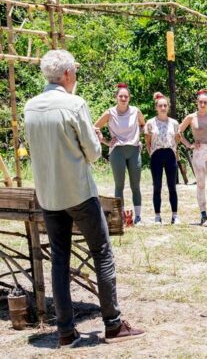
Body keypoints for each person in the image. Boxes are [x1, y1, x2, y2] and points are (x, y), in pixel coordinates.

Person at [23, 49, 144, 347]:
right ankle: (113, 324)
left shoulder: (30, 106)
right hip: (78, 192)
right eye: (74, 70)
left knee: (59, 260)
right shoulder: (74, 104)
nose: (75, 75)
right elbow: (93, 152)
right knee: (101, 253)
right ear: (66, 75)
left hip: (49, 195)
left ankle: (65, 331)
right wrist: (90, 136)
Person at [94, 83, 146, 225]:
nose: (123, 98)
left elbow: (143, 125)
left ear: (129, 98)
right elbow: (95, 127)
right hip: (117, 151)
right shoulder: (110, 113)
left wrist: (138, 136)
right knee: (119, 185)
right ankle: (120, 217)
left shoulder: (136, 111)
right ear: (116, 97)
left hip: (134, 150)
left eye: (126, 96)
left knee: (136, 185)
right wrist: (105, 141)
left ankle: (138, 217)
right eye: (121, 96)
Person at [179, 90, 207, 227]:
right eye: (200, 102)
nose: (203, 104)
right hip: (198, 151)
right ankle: (203, 215)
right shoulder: (191, 117)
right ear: (197, 103)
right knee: (201, 184)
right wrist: (189, 145)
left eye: (205, 102)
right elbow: (179, 132)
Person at [144, 93, 181, 225]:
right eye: (160, 106)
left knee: (172, 186)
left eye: (165, 105)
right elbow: (147, 141)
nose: (163, 108)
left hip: (170, 155)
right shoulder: (150, 123)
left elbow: (177, 139)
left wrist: (175, 151)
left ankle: (175, 215)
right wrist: (151, 154)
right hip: (156, 156)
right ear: (156, 107)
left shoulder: (174, 123)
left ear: (168, 107)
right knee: (157, 187)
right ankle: (157, 216)